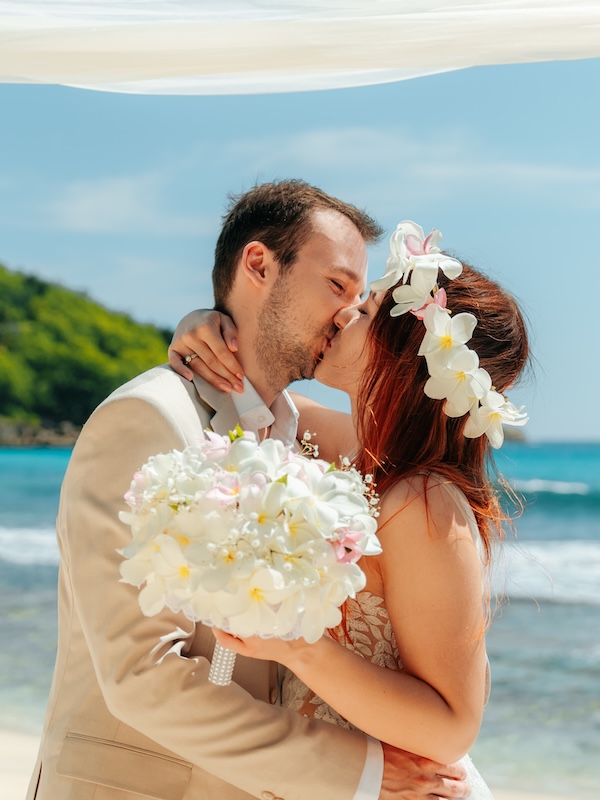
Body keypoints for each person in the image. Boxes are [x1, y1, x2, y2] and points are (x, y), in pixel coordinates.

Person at [28, 183, 472, 800]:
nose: (347, 315)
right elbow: (140, 674)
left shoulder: (305, 440)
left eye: (357, 300)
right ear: (259, 265)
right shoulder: (150, 419)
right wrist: (362, 774)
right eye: (338, 286)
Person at [169, 220, 530, 799]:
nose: (342, 313)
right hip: (330, 778)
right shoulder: (345, 448)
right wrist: (206, 326)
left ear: (405, 353)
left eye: (364, 310)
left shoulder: (424, 500)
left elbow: (453, 726)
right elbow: (256, 395)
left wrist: (295, 646)